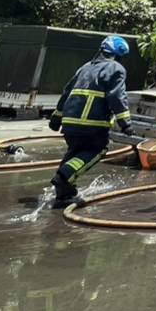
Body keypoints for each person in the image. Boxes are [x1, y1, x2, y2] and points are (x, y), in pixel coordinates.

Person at [48, 36, 133, 208]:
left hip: (70, 124)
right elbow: (116, 96)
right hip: (92, 123)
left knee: (75, 152)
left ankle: (64, 193)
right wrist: (125, 123)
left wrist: (56, 117)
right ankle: (63, 178)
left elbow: (67, 91)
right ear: (118, 54)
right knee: (96, 150)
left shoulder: (85, 67)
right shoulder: (116, 68)